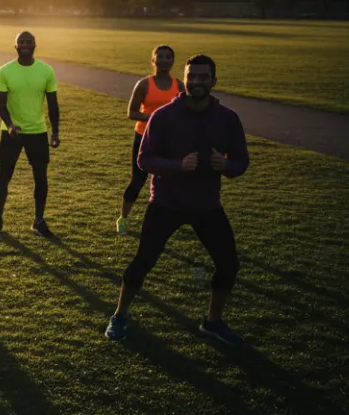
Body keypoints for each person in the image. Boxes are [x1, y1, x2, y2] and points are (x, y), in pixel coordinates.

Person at [105, 54, 249, 345]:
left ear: (214, 81)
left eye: (203, 77)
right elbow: (144, 159)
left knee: (228, 264)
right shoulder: (164, 116)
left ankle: (213, 321)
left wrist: (227, 166)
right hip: (166, 203)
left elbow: (241, 161)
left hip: (207, 205)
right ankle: (119, 315)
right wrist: (176, 165)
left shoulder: (227, 118)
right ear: (183, 80)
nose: (196, 82)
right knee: (143, 261)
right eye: (191, 76)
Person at [0, 31, 60, 238]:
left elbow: (53, 105)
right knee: (4, 176)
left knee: (41, 177)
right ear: (16, 46)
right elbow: (1, 105)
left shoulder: (46, 70)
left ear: (35, 45)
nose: (25, 44)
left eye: (29, 42)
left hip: (38, 132)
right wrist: (10, 125)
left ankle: (38, 221)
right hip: (11, 133)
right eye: (21, 42)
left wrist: (55, 132)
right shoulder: (5, 71)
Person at [118, 45, 184, 234]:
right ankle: (123, 218)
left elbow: (184, 111)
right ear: (153, 61)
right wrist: (154, 117)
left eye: (168, 57)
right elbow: (131, 113)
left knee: (169, 180)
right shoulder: (144, 84)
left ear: (172, 61)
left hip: (169, 141)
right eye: (159, 56)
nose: (164, 60)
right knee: (138, 181)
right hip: (144, 138)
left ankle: (169, 219)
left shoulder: (179, 86)